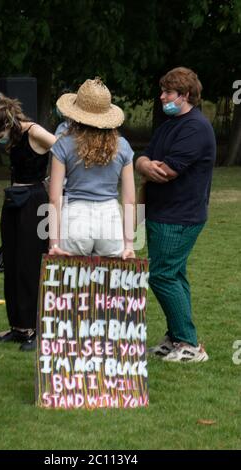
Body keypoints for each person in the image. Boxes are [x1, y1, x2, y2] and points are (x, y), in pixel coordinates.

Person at [135, 67, 216, 363]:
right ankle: (174, 338)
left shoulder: (195, 127)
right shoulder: (170, 125)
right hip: (163, 213)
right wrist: (144, 164)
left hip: (180, 216)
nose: (162, 97)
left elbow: (166, 172)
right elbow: (142, 157)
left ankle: (189, 344)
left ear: (184, 95)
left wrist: (146, 166)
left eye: (168, 92)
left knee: (161, 274)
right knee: (175, 275)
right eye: (163, 91)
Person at [0, 91, 56, 351]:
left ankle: (36, 328)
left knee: (31, 263)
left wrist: (53, 184)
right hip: (14, 200)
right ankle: (18, 326)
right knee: (12, 263)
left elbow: (62, 151)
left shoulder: (33, 132)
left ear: (6, 125)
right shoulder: (12, 137)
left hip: (36, 202)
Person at [48, 77, 135, 260]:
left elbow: (55, 198)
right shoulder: (123, 146)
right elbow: (129, 200)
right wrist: (129, 244)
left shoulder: (63, 144)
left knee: (71, 285)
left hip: (75, 218)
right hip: (110, 219)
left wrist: (54, 244)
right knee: (109, 285)